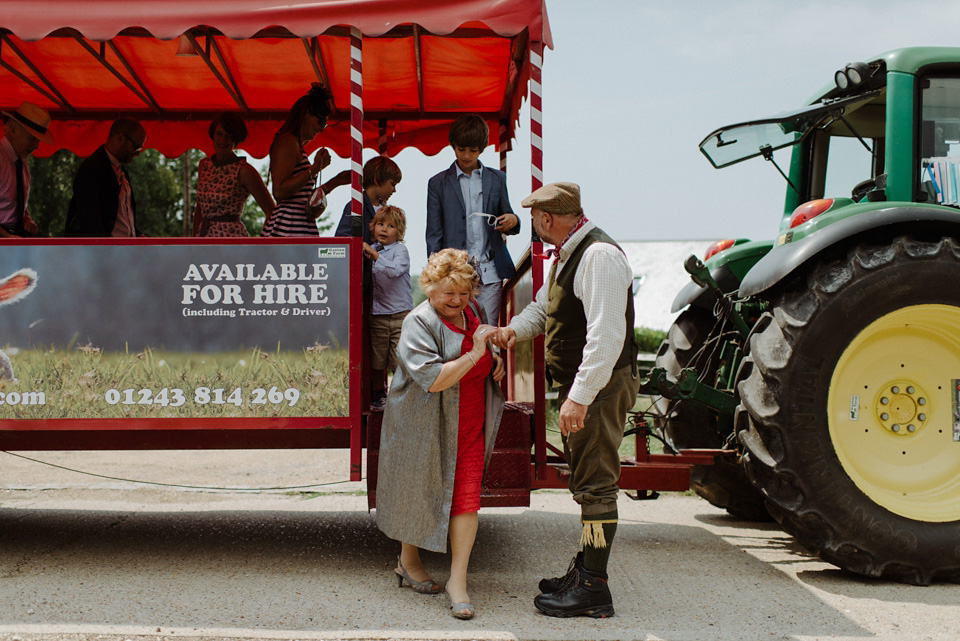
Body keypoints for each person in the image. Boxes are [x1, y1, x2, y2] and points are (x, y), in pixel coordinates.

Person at [489, 182, 639, 619]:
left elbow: (606, 337)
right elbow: (543, 309)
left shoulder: (598, 257)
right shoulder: (569, 257)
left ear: (546, 219)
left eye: (535, 219)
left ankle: (594, 589)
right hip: (588, 386)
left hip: (600, 386)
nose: (534, 226)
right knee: (586, 478)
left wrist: (579, 396)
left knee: (595, 483)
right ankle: (585, 570)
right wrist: (510, 331)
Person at [375, 248, 505, 621]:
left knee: (466, 498)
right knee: (419, 487)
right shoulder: (418, 321)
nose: (457, 300)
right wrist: (479, 351)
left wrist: (492, 360)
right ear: (429, 289)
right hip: (423, 420)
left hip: (469, 419)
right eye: (449, 292)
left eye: (464, 291)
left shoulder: (473, 312)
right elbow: (433, 380)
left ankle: (458, 581)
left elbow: (478, 348)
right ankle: (408, 561)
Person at [426, 114, 520, 325]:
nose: (467, 155)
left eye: (473, 150)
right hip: (454, 273)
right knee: (456, 332)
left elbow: (509, 214)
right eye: (461, 149)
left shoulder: (497, 179)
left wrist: (513, 220)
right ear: (452, 146)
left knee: (486, 330)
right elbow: (434, 233)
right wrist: (435, 274)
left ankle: (488, 359)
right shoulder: (437, 183)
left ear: (482, 148)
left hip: (490, 271)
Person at [260, 83, 349, 237]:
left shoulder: (294, 144)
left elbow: (299, 195)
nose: (321, 129)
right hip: (288, 226)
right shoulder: (288, 141)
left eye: (325, 124)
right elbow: (279, 191)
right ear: (306, 114)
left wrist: (336, 181)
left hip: (294, 224)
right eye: (321, 122)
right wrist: (315, 168)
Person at [193, 112, 274, 237]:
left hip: (232, 242)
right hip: (203, 240)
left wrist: (263, 243)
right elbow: (199, 209)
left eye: (229, 136)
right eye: (219, 134)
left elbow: (271, 211)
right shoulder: (204, 165)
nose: (222, 140)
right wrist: (193, 243)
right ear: (212, 134)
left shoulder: (244, 170)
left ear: (236, 139)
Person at [363, 205, 413, 409]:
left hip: (400, 313)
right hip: (378, 314)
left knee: (397, 358)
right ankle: (378, 394)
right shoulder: (371, 249)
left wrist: (375, 257)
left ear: (399, 232)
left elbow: (394, 271)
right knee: (377, 357)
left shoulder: (400, 251)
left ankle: (400, 394)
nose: (384, 229)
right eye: (380, 224)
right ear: (373, 227)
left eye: (391, 226)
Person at [64, 118, 146, 237]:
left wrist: (137, 235)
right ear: (120, 139)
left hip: (121, 250)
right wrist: (104, 250)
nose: (138, 153)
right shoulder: (92, 169)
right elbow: (90, 220)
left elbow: (121, 219)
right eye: (135, 147)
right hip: (105, 251)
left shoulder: (122, 171)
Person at [0, 102, 53, 238]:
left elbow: (14, 202)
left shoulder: (21, 163)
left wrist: (26, 218)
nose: (36, 146)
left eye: (38, 141)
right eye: (32, 139)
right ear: (12, 130)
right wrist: (6, 237)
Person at [333, 155, 402, 241]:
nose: (394, 190)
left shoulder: (385, 209)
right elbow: (344, 240)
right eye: (392, 184)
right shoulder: (357, 207)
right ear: (377, 180)